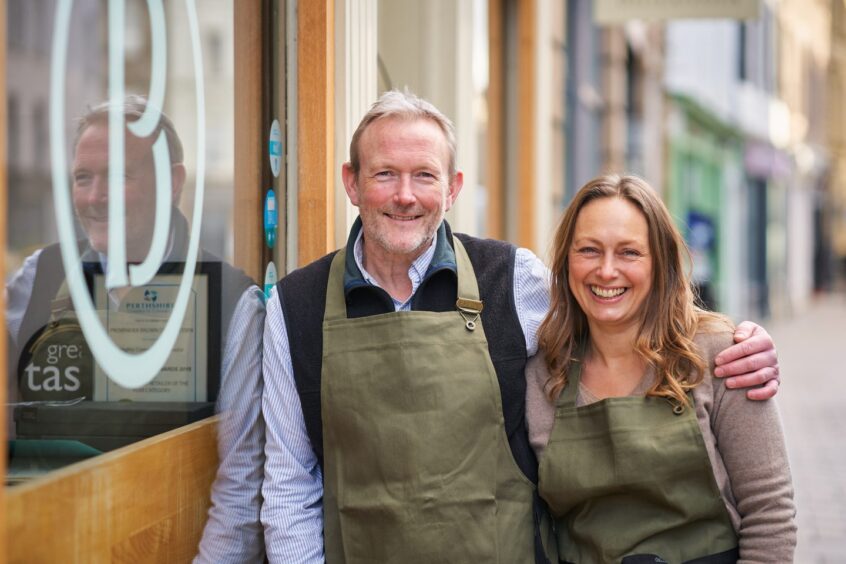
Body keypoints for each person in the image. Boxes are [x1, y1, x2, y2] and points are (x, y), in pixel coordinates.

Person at [262, 91, 782, 562]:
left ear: (452, 189)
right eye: (384, 174)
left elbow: (616, 315)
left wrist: (741, 342)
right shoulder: (295, 308)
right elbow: (288, 489)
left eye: (424, 175)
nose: (405, 195)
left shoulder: (515, 280)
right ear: (351, 182)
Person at [4, 97, 266, 562]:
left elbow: (240, 482)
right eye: (84, 178)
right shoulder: (36, 278)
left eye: (119, 176)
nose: (95, 197)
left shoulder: (231, 302)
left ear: (173, 183)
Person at [526, 174, 796, 563]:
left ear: (661, 262)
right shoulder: (541, 374)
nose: (606, 271)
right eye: (588, 250)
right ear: (566, 258)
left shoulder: (720, 356)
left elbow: (771, 517)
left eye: (629, 253)